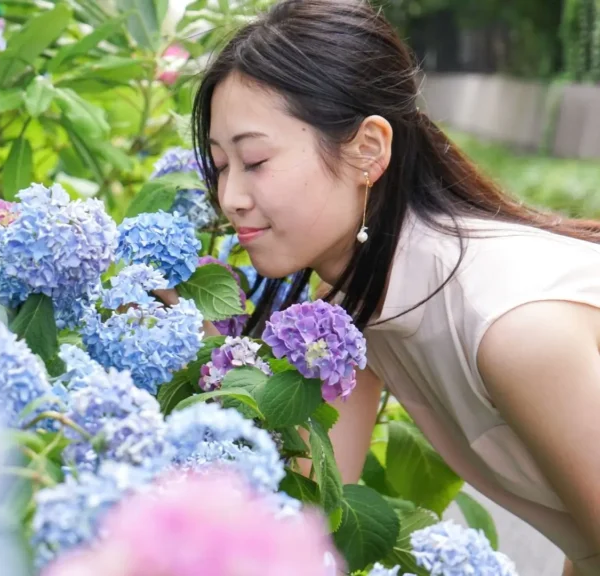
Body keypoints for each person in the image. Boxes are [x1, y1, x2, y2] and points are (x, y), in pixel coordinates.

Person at [181, 0, 600, 574]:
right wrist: (198, 348)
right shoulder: (353, 315)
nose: (230, 198)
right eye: (220, 165)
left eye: (254, 160)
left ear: (368, 150)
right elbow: (312, 528)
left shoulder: (512, 328)